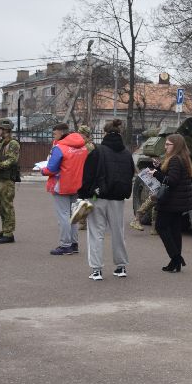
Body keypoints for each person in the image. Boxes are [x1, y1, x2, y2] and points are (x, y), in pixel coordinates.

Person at [77, 119, 134, 280]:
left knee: (96, 232)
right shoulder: (127, 153)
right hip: (118, 198)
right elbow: (130, 174)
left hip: (98, 196)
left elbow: (88, 175)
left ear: (105, 133)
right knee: (118, 232)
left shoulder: (97, 150)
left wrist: (82, 194)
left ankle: (97, 270)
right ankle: (121, 267)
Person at [42, 123, 88, 256]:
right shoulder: (83, 147)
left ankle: (65, 245)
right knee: (74, 215)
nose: (53, 136)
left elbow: (51, 169)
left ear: (61, 133)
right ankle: (74, 244)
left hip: (62, 185)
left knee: (63, 216)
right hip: (78, 185)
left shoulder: (59, 147)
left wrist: (42, 170)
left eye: (55, 133)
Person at [152, 133, 192, 272]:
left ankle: (176, 258)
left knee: (161, 227)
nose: (165, 147)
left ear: (175, 146)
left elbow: (172, 181)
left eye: (167, 144)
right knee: (175, 230)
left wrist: (156, 174)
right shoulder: (183, 158)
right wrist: (159, 168)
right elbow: (173, 176)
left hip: (171, 202)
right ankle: (175, 263)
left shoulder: (175, 159)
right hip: (178, 202)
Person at [0, 119, 20, 244]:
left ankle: (9, 233)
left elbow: (12, 160)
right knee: (0, 205)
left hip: (7, 179)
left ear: (6, 130)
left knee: (7, 205)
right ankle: (4, 230)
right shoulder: (1, 143)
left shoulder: (13, 144)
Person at [75, 124, 95, 235]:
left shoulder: (88, 147)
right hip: (83, 174)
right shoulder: (84, 145)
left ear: (86, 135)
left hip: (87, 175)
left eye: (81, 134)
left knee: (85, 198)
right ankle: (82, 221)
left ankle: (83, 222)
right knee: (83, 198)